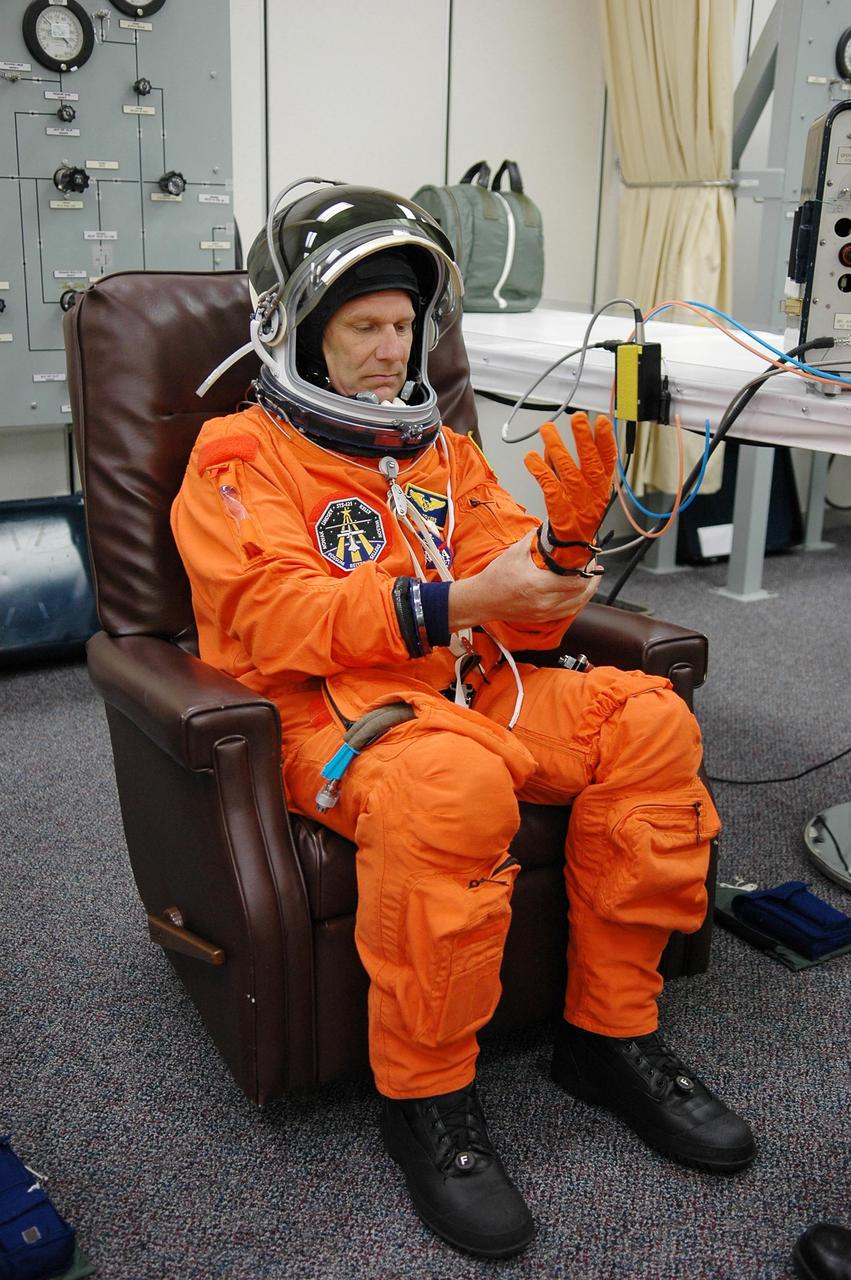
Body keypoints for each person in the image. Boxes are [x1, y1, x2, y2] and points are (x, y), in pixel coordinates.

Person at [171, 181, 755, 1259]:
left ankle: (609, 1031)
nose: (394, 349)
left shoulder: (440, 451)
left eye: (404, 324)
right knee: (455, 788)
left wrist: (559, 558)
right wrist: (457, 602)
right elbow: (267, 616)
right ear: (300, 330)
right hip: (331, 714)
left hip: (477, 682)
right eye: (364, 327)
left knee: (649, 724)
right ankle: (428, 1097)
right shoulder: (237, 456)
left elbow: (521, 622)